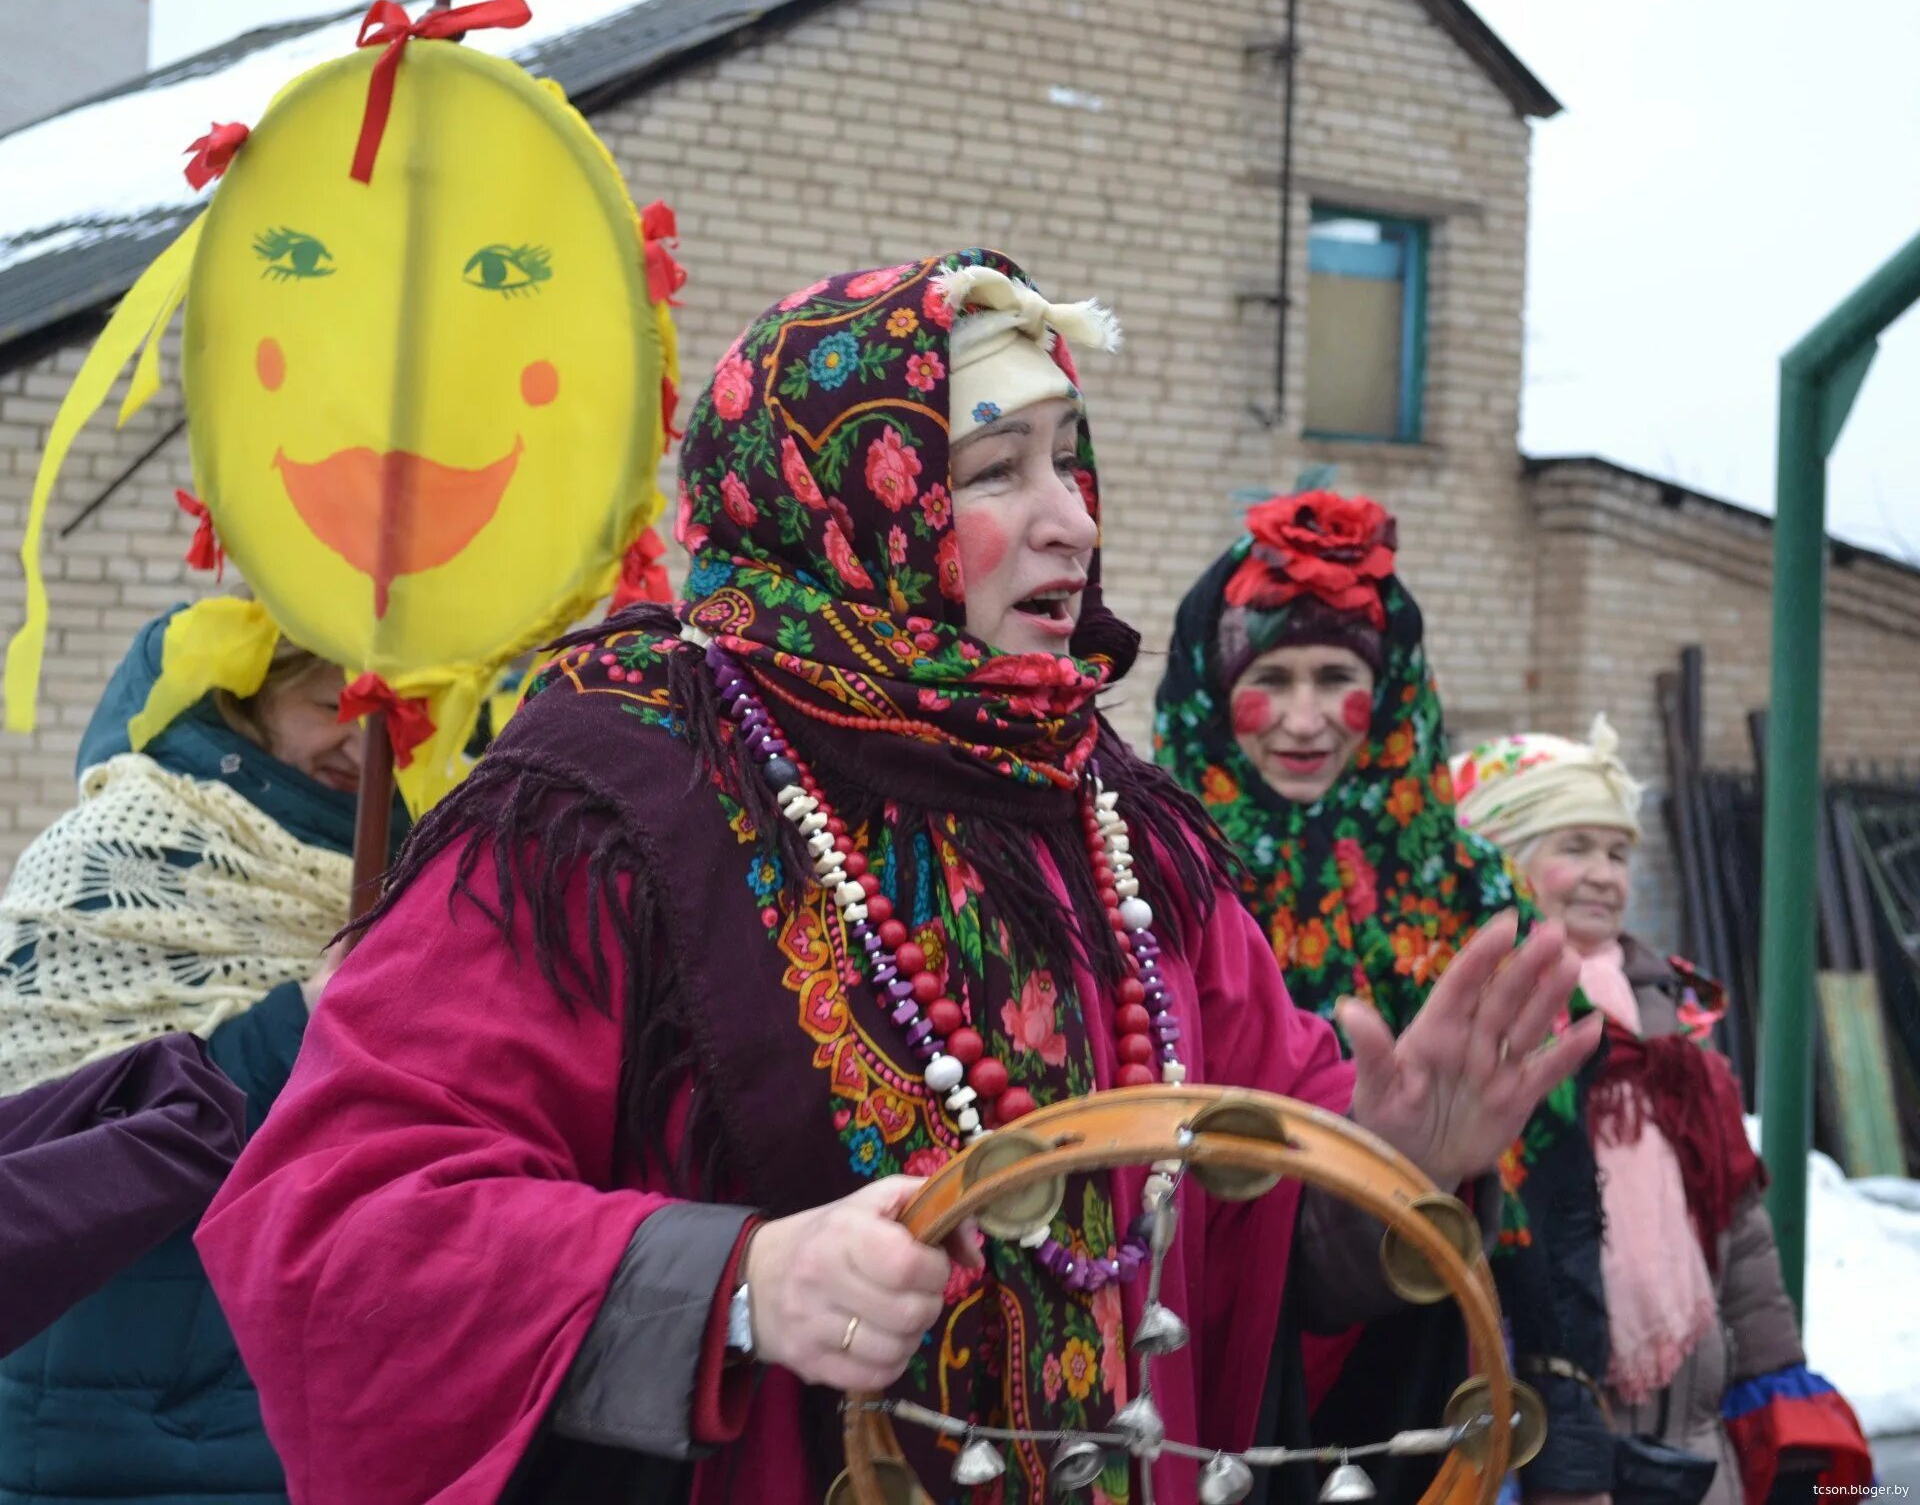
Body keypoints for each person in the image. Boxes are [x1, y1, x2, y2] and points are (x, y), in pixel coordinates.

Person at [195, 251, 1598, 1504]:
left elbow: (1244, 1222)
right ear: (842, 497)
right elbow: (333, 1225)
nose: (1072, 525)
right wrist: (737, 1285)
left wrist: (1389, 1170)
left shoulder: (1118, 824)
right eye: (997, 472)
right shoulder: (605, 805)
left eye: (1070, 458)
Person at [1152, 490, 1615, 1502]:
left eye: (1338, 677)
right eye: (1271, 678)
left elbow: (1554, 1191)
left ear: (1393, 689)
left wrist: (1563, 1412)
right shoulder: (1151, 883)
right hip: (1195, 1361)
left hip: (1435, 1385)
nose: (1309, 718)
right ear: (1208, 689)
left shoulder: (1475, 897)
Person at [1454, 719, 1875, 1505]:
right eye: (1573, 846)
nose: (1603, 874)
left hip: (1695, 1415)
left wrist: (1775, 1377)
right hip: (1542, 1411)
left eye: (1617, 852)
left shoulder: (1670, 1020)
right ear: (1499, 853)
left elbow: (1733, 1218)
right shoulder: (1473, 1017)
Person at [0, 603, 362, 1505]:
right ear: (252, 702)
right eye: (330, 704)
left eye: (390, 719)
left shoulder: (398, 875)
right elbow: (63, 1123)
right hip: (82, 1400)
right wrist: (306, 1017)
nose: (359, 742)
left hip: (267, 1410)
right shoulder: (117, 843)